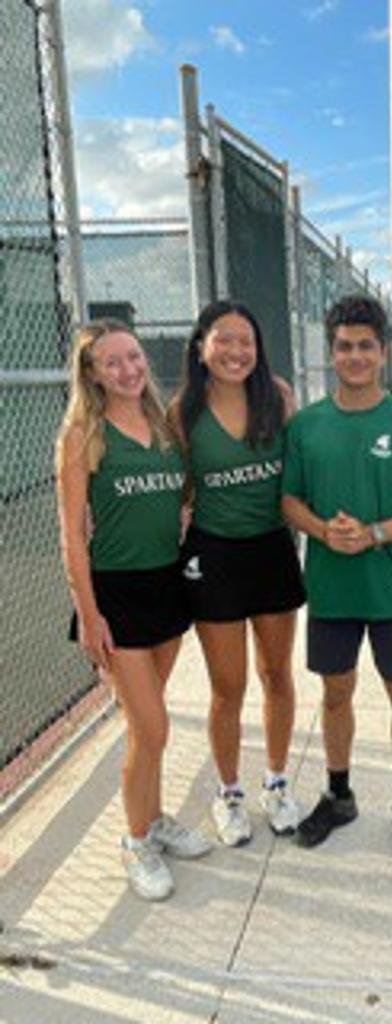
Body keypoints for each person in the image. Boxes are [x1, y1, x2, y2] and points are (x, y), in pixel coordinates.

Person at [281, 294, 392, 865]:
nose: (355, 357)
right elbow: (289, 500)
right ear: (331, 352)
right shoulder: (306, 425)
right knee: (335, 694)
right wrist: (324, 532)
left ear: (384, 351)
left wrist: (375, 533)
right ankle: (339, 794)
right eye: (345, 347)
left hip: (389, 589)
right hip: (331, 590)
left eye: (366, 346)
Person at [56, 320, 212, 903]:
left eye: (134, 357)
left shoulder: (165, 425)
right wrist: (88, 613)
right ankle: (135, 841)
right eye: (112, 362)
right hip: (115, 595)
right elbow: (72, 536)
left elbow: (183, 497)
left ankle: (154, 818)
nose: (128, 370)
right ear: (93, 374)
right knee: (151, 727)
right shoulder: (83, 435)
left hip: (165, 586)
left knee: (149, 726)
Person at [172, 301, 306, 847]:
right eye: (223, 340)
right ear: (201, 347)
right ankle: (228, 793)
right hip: (215, 555)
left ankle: (276, 782)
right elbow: (175, 489)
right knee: (228, 687)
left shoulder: (278, 396)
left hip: (271, 549)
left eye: (245, 341)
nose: (235, 351)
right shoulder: (183, 413)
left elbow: (304, 468)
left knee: (276, 674)